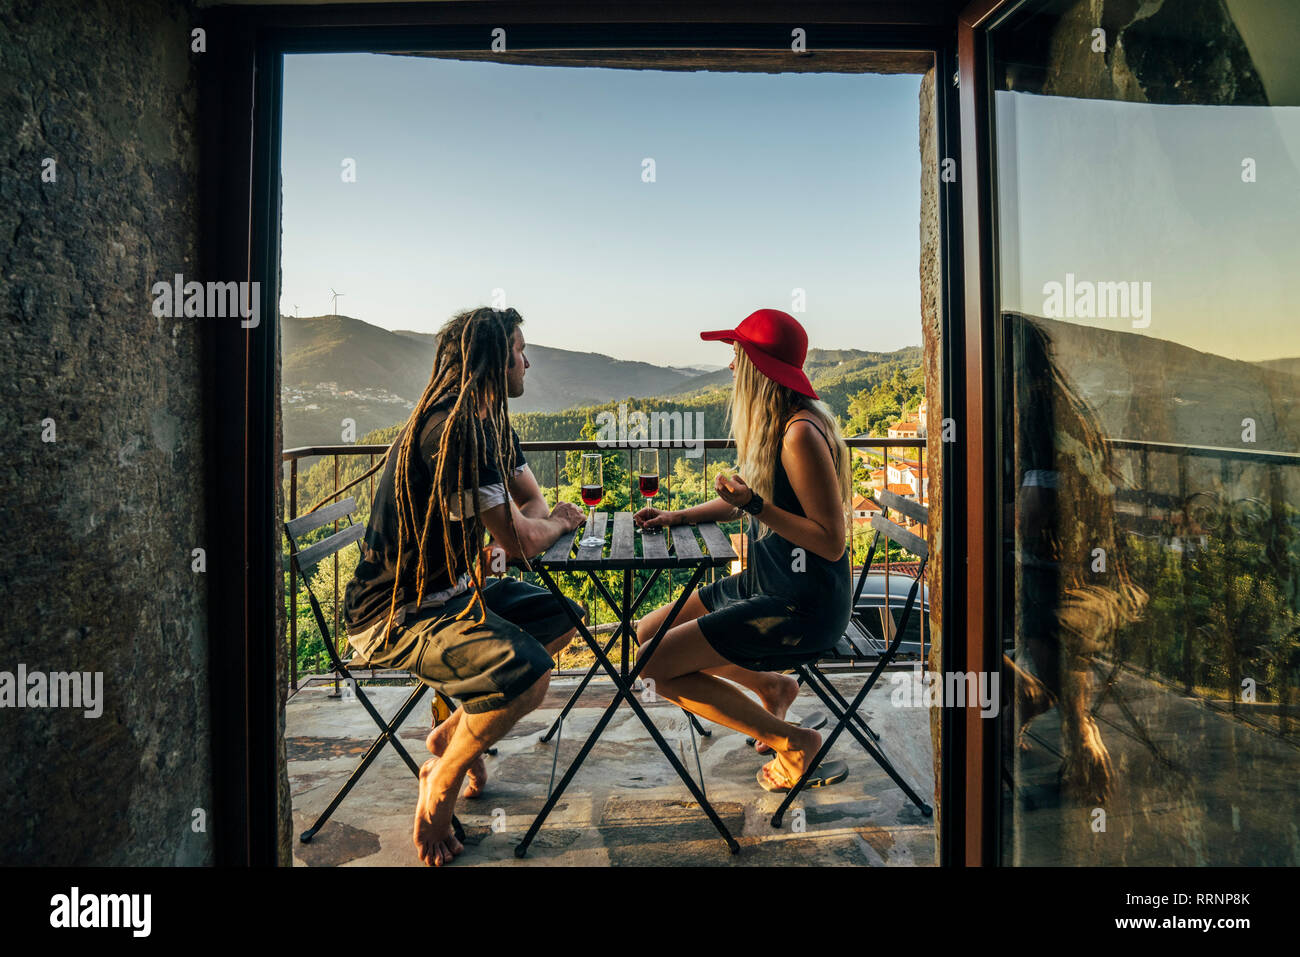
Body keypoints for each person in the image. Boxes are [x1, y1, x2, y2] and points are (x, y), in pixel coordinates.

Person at [341, 306, 587, 866]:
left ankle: (449, 734)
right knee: (530, 676)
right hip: (397, 615)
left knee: (561, 617)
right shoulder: (452, 433)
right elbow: (528, 538)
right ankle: (439, 786)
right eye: (521, 351)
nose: (528, 361)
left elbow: (529, 509)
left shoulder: (489, 423)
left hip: (453, 593)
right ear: (497, 359)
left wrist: (522, 529)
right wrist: (559, 526)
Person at [633, 308, 853, 793]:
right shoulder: (777, 425)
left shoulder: (799, 435)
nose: (732, 366)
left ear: (759, 367)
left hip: (799, 606)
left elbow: (830, 540)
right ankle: (771, 686)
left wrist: (755, 504)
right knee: (647, 629)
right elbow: (747, 497)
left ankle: (793, 741)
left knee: (650, 667)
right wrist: (679, 516)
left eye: (738, 355)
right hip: (766, 584)